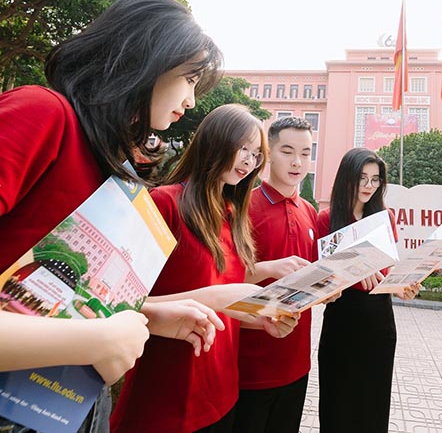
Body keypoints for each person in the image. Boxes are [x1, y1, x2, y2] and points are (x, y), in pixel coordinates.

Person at [0, 0, 226, 432]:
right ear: (148, 59)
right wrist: (96, 337)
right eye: (190, 78)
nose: (192, 101)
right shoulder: (42, 115)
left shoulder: (114, 167)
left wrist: (143, 315)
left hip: (60, 408)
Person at [110, 105, 300, 433]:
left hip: (222, 395)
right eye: (243, 148)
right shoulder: (164, 204)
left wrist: (265, 319)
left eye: (256, 154)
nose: (249, 161)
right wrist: (216, 297)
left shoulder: (233, 216)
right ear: (215, 141)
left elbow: (226, 309)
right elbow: (114, 302)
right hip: (167, 397)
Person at [316, 148, 420, 433]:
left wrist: (403, 287)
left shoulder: (384, 218)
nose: (368, 186)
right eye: (362, 178)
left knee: (373, 404)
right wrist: (355, 269)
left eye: (375, 180)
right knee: (337, 403)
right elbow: (322, 275)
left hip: (379, 324)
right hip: (342, 321)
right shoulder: (326, 219)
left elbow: (388, 270)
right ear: (347, 177)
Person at [234, 116, 318, 433]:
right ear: (268, 153)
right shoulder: (243, 207)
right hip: (249, 366)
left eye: (306, 153)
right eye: (287, 151)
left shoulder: (309, 211)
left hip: (297, 364)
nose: (297, 162)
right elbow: (221, 276)